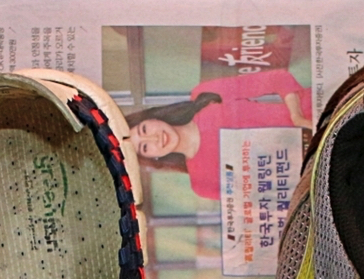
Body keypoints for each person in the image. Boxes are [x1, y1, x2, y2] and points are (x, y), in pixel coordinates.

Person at [126, 68, 314, 199]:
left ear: (153, 117)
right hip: (313, 164)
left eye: (144, 129)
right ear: (153, 158)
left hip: (314, 113)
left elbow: (278, 78)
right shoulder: (201, 184)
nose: (154, 138)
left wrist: (297, 117)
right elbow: (268, 198)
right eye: (145, 147)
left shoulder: (204, 95)